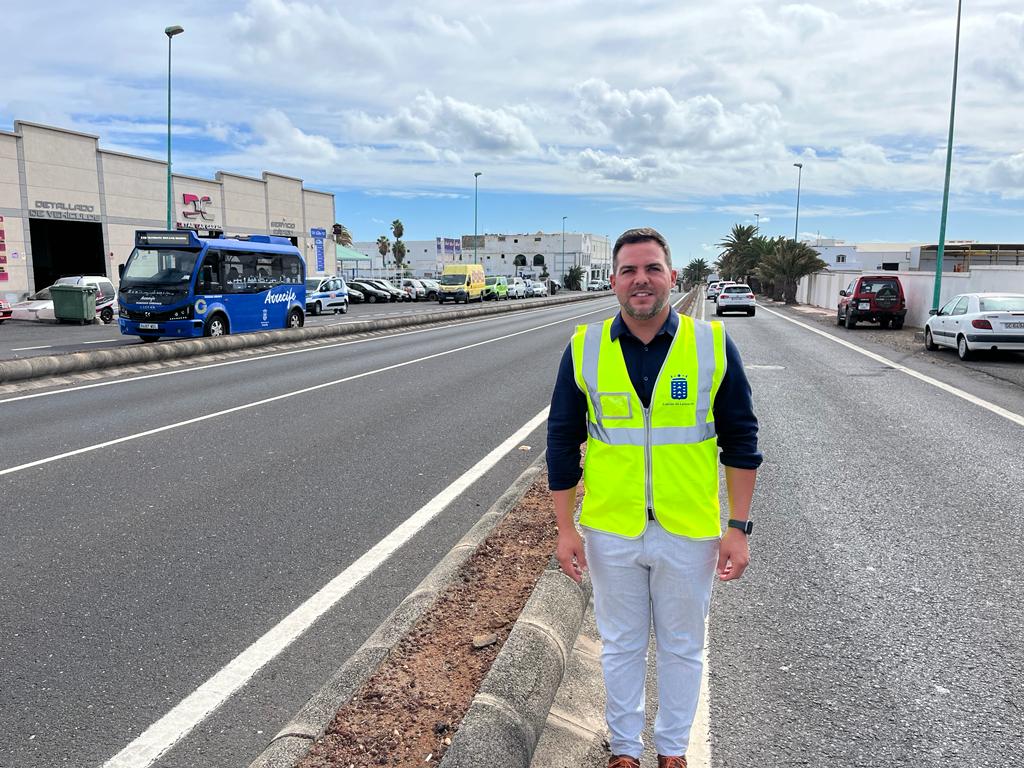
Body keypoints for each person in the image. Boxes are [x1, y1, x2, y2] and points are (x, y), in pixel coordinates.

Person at [547, 227, 761, 768]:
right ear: (615, 283)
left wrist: (738, 526)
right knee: (620, 646)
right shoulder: (584, 348)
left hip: (688, 529)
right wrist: (565, 527)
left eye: (651, 269)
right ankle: (624, 751)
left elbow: (741, 438)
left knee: (682, 646)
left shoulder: (711, 344)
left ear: (672, 277)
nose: (640, 280)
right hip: (611, 527)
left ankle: (671, 753)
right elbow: (561, 441)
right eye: (629, 271)